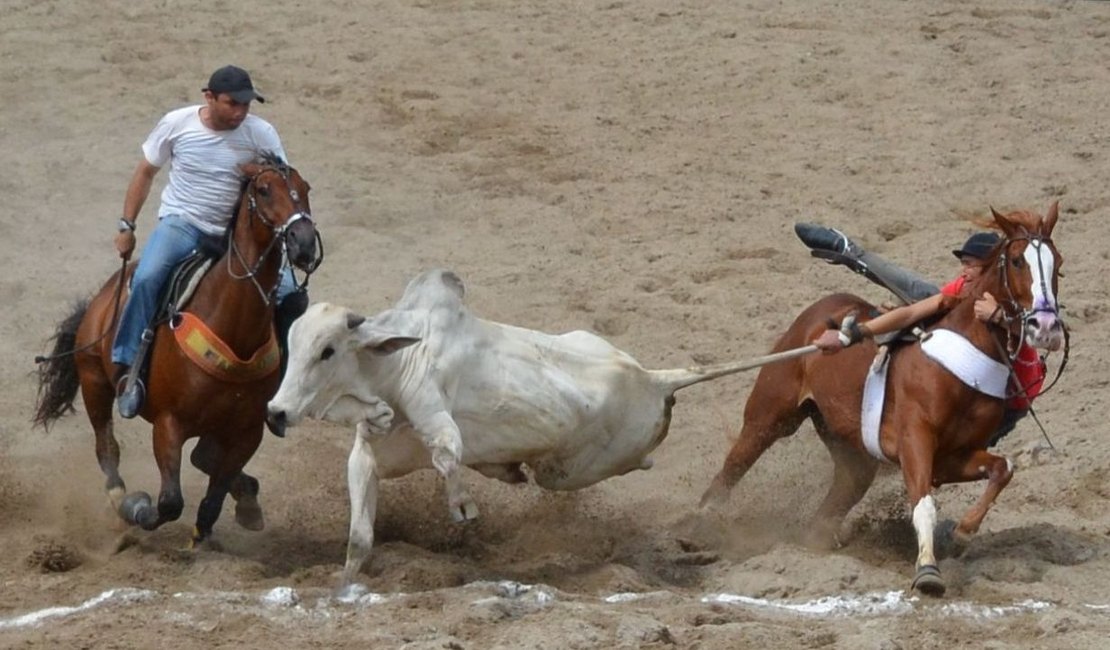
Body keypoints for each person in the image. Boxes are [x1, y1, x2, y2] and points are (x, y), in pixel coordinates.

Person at [112, 65, 306, 419]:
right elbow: (145, 171)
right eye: (232, 104)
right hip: (184, 225)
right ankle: (129, 368)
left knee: (291, 295)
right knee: (147, 277)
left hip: (235, 237)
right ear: (209, 97)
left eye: (246, 105)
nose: (240, 113)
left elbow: (281, 182)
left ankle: (283, 380)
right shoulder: (177, 124)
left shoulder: (261, 133)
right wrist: (127, 225)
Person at [795, 224, 1045, 446]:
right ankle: (849, 251)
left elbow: (1045, 337)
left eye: (970, 264)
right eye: (963, 264)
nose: (963, 272)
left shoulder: (1014, 297)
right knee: (923, 293)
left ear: (991, 269)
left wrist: (998, 317)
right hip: (968, 385)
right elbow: (916, 310)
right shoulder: (963, 287)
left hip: (1005, 402)